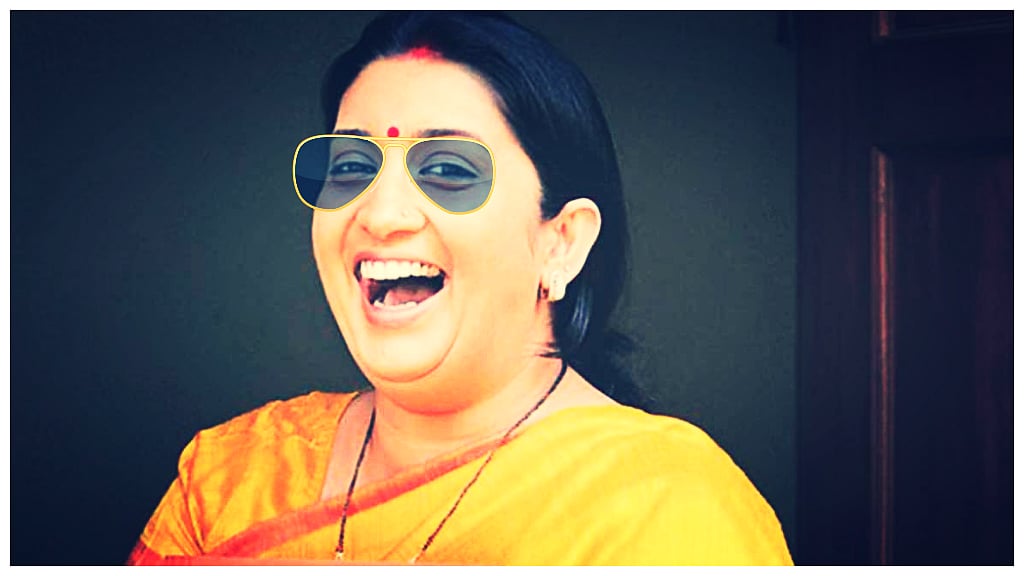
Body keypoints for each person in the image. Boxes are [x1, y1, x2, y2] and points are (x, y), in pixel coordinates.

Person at [128, 12, 792, 566]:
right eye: (351, 166)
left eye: (447, 169)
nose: (380, 214)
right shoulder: (230, 478)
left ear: (561, 242)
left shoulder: (664, 509)